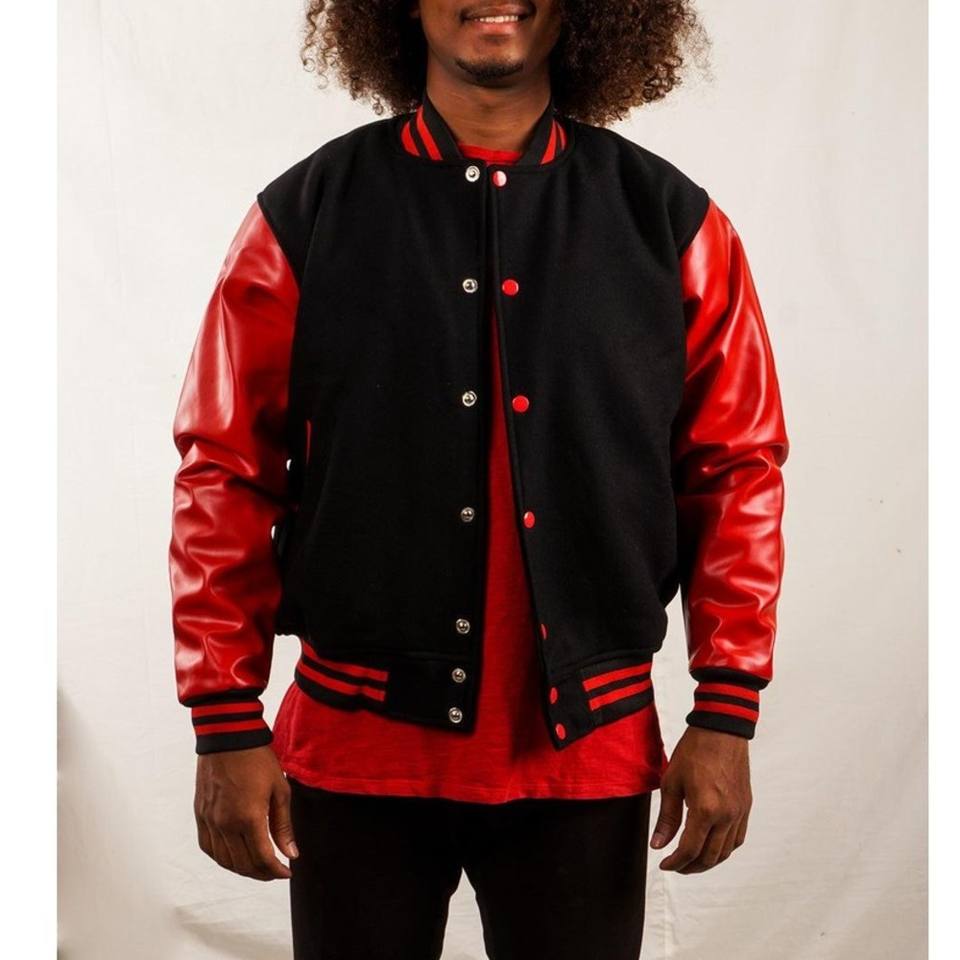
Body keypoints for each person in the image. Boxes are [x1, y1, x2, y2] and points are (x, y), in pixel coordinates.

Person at [168, 2, 789, 957]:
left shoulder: (671, 221)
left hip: (586, 755)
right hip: (354, 745)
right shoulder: (306, 213)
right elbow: (225, 468)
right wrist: (224, 717)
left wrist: (726, 711)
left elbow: (737, 471)